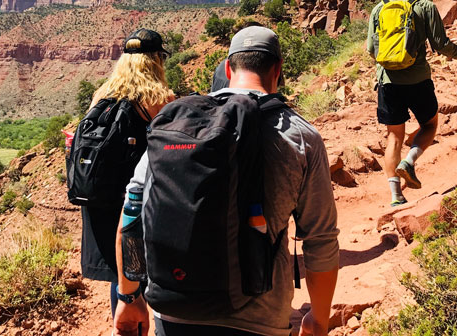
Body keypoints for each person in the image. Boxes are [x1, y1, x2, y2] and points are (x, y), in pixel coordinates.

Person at [113, 26, 340, 336]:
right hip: (260, 320)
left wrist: (128, 296)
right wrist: (319, 316)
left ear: (229, 68)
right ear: (278, 70)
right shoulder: (301, 136)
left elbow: (131, 212)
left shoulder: (177, 123)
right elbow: (320, 240)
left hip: (174, 312)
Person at [80, 28, 174, 320]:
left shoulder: (102, 95)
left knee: (119, 277)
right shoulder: (161, 100)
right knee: (143, 273)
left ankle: (124, 324)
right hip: (136, 202)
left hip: (101, 199)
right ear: (156, 60)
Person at [367, 0, 457, 207]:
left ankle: (396, 196)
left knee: (394, 136)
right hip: (418, 80)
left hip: (388, 82)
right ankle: (410, 162)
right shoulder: (425, 6)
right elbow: (441, 44)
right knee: (429, 125)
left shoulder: (378, 9)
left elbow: (372, 51)